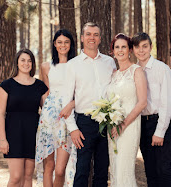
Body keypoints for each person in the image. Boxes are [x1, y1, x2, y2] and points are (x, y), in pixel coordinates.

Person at [63, 22, 116, 187]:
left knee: (102, 170)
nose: (91, 38)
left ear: (100, 38)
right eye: (88, 34)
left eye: (95, 34)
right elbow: (66, 99)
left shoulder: (110, 62)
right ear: (81, 38)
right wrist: (73, 128)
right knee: (82, 170)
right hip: (84, 123)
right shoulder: (73, 65)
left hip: (106, 122)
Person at [0, 49, 48, 187]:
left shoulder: (39, 86)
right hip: (14, 134)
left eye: (29, 60)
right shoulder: (6, 86)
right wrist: (2, 139)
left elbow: (48, 111)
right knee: (16, 177)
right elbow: (0, 114)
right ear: (17, 63)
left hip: (33, 135)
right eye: (23, 60)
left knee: (28, 177)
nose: (26, 63)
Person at [132, 32, 171, 187]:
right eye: (137, 47)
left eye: (145, 46)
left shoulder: (162, 69)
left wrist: (160, 132)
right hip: (143, 123)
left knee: (163, 169)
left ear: (150, 47)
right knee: (149, 169)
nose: (141, 50)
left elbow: (167, 103)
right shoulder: (134, 70)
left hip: (160, 121)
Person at [35, 29, 77, 187]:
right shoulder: (46, 66)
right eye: (59, 42)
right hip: (48, 119)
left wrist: (72, 104)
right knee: (49, 166)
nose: (63, 45)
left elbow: (80, 92)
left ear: (70, 44)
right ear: (54, 44)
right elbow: (45, 94)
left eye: (66, 42)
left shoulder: (76, 65)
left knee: (60, 169)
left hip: (67, 118)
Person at [107, 33, 147, 186]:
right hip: (113, 129)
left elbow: (142, 102)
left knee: (125, 169)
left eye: (124, 47)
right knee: (115, 168)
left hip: (129, 127)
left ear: (130, 50)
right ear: (113, 51)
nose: (120, 50)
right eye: (117, 47)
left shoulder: (136, 71)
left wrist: (123, 125)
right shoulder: (113, 74)